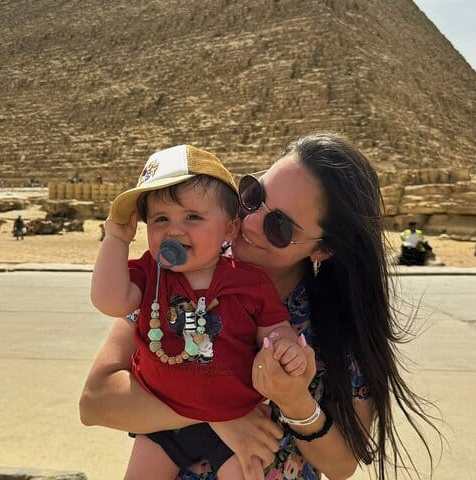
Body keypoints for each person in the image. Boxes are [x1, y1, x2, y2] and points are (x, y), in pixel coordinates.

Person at [80, 133, 441, 480]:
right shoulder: (178, 272)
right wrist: (220, 413)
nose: (250, 222)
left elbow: (342, 465)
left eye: (279, 226)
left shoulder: (337, 324)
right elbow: (95, 401)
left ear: (322, 249)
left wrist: (296, 402)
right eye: (253, 195)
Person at [91, 144, 307, 479]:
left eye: (192, 217)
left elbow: (274, 328)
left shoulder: (250, 282)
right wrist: (116, 240)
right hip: (161, 421)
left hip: (237, 415)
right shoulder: (150, 273)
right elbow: (109, 301)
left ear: (230, 228)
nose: (174, 230)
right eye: (161, 219)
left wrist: (285, 346)